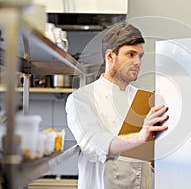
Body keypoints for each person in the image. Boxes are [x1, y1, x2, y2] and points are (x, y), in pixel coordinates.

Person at [65, 23, 169, 189]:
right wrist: (141, 136)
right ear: (110, 56)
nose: (137, 62)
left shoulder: (145, 99)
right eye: (131, 54)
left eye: (140, 56)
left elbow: (149, 159)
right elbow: (93, 144)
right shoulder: (81, 99)